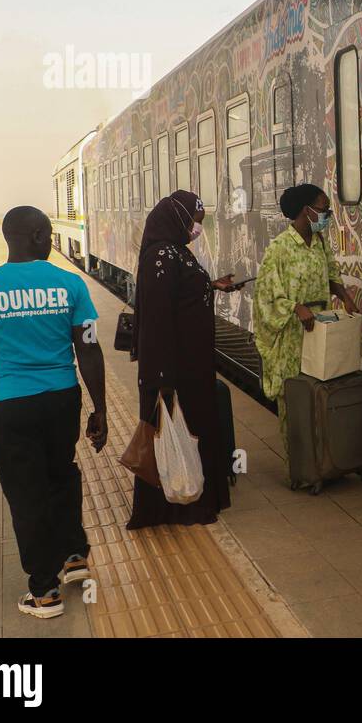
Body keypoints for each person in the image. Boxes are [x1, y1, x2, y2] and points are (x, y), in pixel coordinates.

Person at [0, 206, 108, 620]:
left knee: (26, 493)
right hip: (62, 399)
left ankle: (44, 591)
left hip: (12, 404)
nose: (53, 239)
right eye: (50, 233)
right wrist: (100, 410)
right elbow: (88, 348)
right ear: (36, 236)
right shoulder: (70, 285)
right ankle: (74, 555)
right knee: (62, 474)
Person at [127, 191, 238, 528]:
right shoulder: (160, 256)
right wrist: (163, 379)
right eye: (193, 221)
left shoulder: (174, 252)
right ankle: (177, 505)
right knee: (176, 435)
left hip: (192, 366)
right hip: (175, 370)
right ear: (176, 219)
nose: (196, 228)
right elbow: (158, 321)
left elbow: (181, 294)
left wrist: (211, 285)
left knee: (192, 433)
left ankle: (194, 495)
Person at [254, 184, 358, 450]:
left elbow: (331, 274)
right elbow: (265, 295)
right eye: (324, 209)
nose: (327, 215)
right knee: (296, 400)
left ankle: (322, 463)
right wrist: (294, 307)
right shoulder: (279, 248)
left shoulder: (319, 243)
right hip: (292, 335)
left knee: (320, 393)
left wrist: (344, 296)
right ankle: (300, 469)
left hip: (320, 328)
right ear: (306, 211)